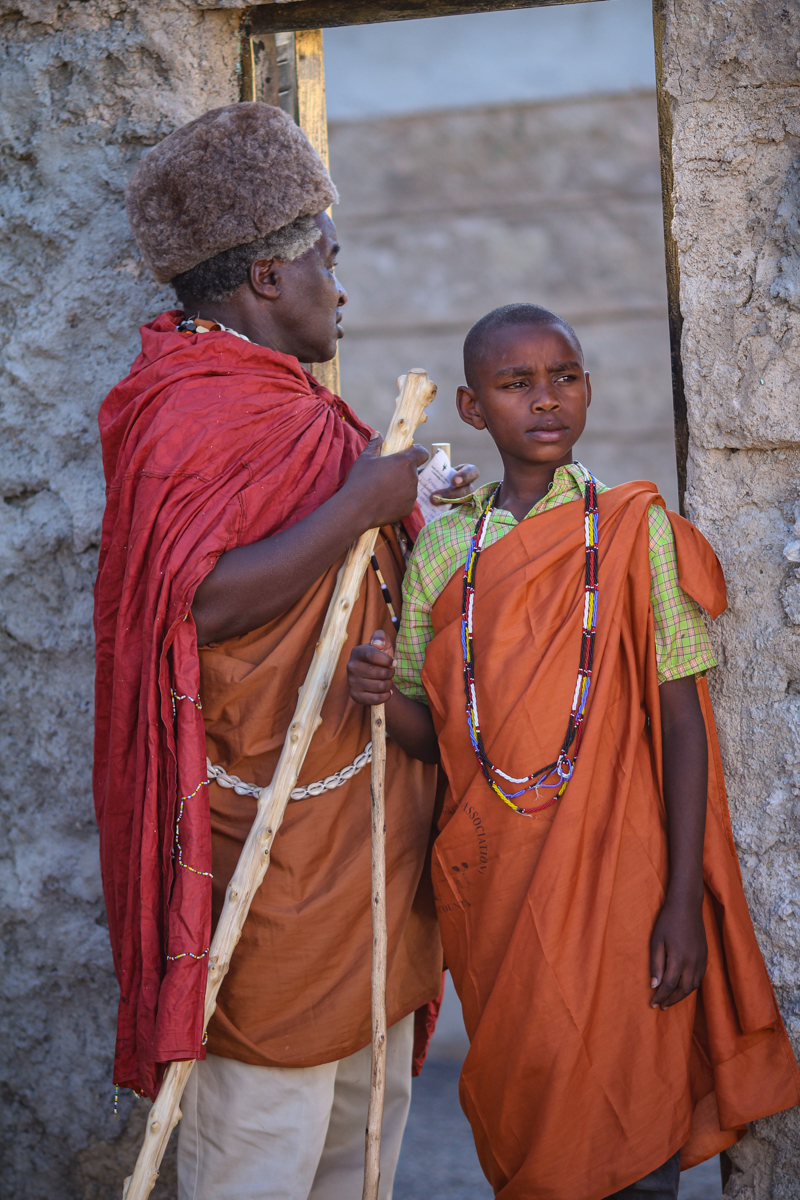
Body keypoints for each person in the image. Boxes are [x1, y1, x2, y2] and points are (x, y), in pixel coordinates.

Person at [93, 102, 479, 1200]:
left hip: (362, 835)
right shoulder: (186, 408)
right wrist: (363, 501)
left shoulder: (293, 406)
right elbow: (198, 606)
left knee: (364, 1135)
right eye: (329, 262)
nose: (340, 289)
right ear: (267, 279)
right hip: (261, 851)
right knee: (260, 1143)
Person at [347, 303, 800, 1200]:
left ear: (588, 389)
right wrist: (373, 696)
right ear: (475, 410)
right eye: (517, 385)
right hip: (498, 887)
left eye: (564, 377)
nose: (545, 400)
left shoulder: (635, 531)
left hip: (626, 886)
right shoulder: (444, 548)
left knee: (631, 1119)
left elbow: (681, 721)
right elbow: (433, 731)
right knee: (534, 1092)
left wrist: (680, 905)